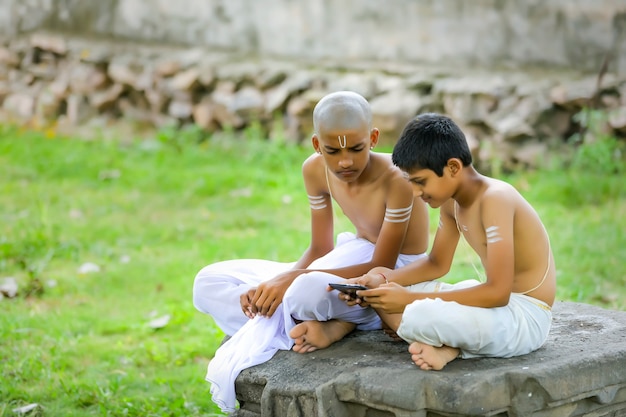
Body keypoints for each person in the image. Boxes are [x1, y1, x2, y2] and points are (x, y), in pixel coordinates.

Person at [192, 91, 430, 413]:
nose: (345, 161)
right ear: (317, 145)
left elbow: (381, 264)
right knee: (208, 281)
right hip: (346, 258)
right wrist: (275, 283)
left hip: (392, 274)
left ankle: (340, 323)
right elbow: (320, 248)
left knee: (303, 292)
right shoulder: (314, 170)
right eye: (333, 151)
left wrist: (291, 280)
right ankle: (309, 322)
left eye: (356, 148)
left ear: (373, 138)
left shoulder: (396, 178)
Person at [347, 113, 556, 371]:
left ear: (453, 167)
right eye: (410, 182)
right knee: (382, 281)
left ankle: (437, 339)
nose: (415, 192)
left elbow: (499, 293)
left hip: (525, 317)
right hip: (488, 303)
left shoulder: (496, 199)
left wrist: (406, 301)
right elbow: (437, 263)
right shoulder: (450, 202)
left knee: (419, 311)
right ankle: (446, 345)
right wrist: (384, 281)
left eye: (420, 181)